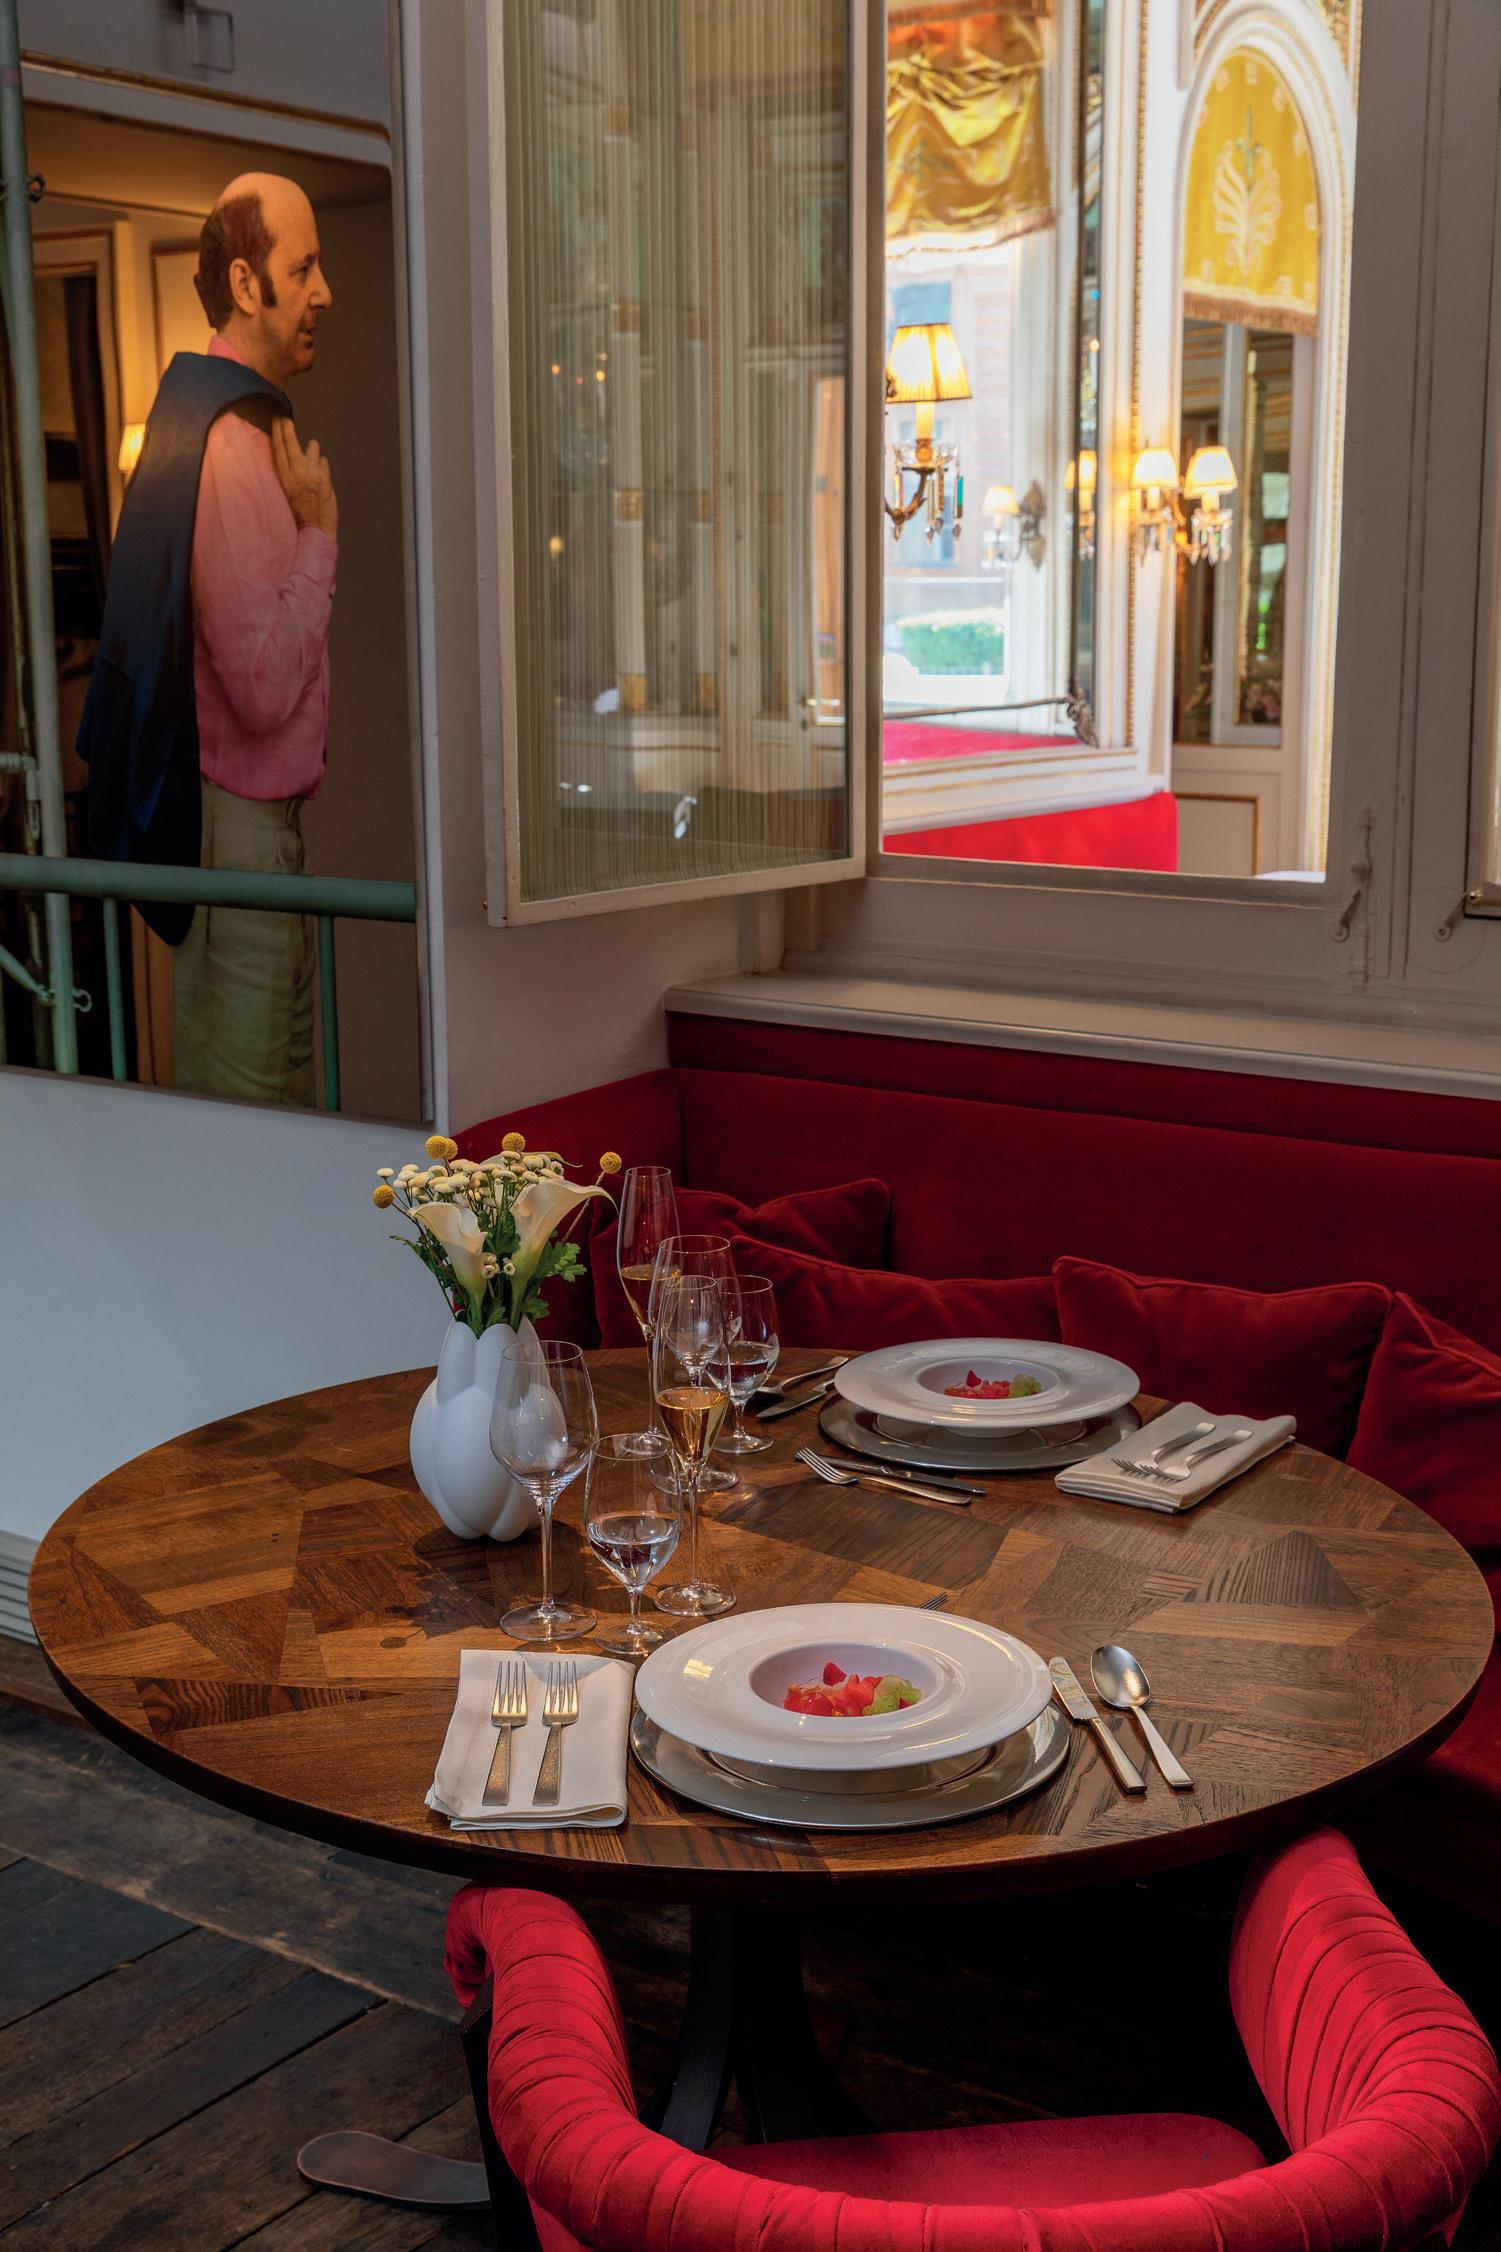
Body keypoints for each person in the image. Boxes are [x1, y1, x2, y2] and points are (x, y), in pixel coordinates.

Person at [78, 170, 336, 1107]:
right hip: (237, 839)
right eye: (302, 269)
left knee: (282, 1115)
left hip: (258, 836)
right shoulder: (226, 444)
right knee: (248, 1121)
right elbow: (261, 691)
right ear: (244, 283)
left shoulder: (226, 421)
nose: (323, 293)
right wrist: (321, 535)